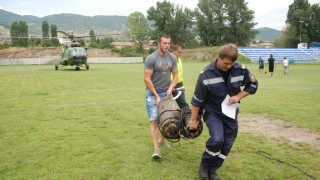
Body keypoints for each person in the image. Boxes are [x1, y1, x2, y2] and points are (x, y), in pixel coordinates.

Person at [189, 44, 258, 180]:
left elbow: (253, 85)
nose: (228, 67)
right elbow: (197, 100)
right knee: (217, 139)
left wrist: (239, 96)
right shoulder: (206, 74)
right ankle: (205, 165)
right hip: (212, 111)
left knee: (228, 141)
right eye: (226, 63)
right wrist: (193, 120)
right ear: (218, 57)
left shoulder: (240, 69)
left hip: (230, 112)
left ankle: (213, 169)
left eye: (231, 64)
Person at [144, 34, 179, 159]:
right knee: (154, 120)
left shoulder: (172, 58)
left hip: (166, 93)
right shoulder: (151, 58)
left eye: (168, 43)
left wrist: (170, 89)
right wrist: (156, 96)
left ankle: (162, 140)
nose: (167, 46)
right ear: (159, 44)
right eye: (164, 43)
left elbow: (176, 76)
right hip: (153, 94)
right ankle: (156, 149)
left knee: (169, 119)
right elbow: (147, 79)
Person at [171, 44, 190, 109]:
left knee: (183, 104)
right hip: (170, 85)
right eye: (179, 52)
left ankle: (188, 117)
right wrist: (171, 86)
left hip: (179, 84)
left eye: (181, 52)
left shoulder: (179, 59)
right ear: (174, 51)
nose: (180, 54)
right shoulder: (168, 60)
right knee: (168, 106)